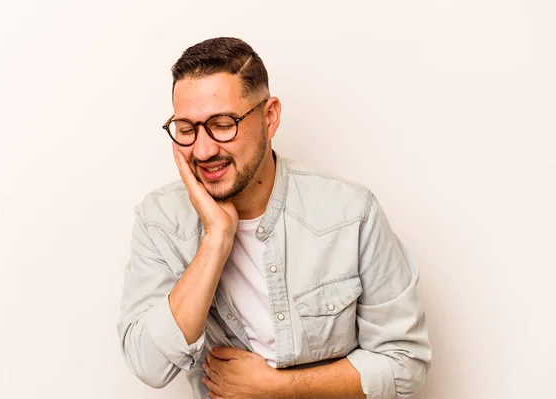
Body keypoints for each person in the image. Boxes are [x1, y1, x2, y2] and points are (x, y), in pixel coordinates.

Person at [117, 37, 432, 399]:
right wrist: (216, 240)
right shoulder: (159, 222)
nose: (203, 151)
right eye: (187, 130)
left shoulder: (351, 212)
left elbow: (405, 362)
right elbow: (149, 365)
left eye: (222, 124)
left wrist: (278, 388)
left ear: (269, 117)